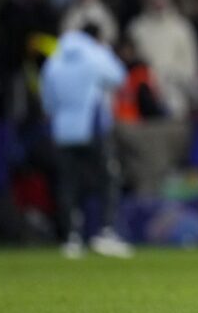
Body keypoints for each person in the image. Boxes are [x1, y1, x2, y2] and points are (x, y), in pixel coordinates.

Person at [39, 25, 132, 258]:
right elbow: (119, 77)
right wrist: (105, 52)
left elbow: (47, 102)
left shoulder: (54, 62)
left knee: (69, 184)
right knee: (108, 179)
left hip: (62, 131)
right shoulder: (95, 55)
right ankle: (106, 232)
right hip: (91, 128)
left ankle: (71, 238)